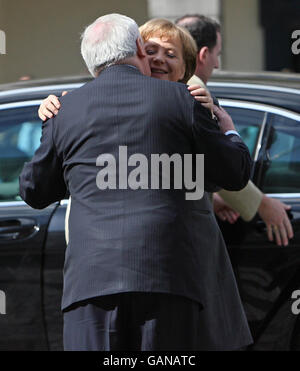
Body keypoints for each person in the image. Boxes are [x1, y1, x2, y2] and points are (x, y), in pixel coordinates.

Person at [20, 14, 252, 351]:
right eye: (153, 50)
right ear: (139, 49)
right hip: (164, 279)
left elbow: (35, 190)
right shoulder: (181, 104)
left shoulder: (189, 100)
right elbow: (229, 171)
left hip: (99, 281)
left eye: (170, 54)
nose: (158, 60)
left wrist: (58, 125)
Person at [175, 14, 294, 247]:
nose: (217, 64)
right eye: (217, 55)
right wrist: (263, 205)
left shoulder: (160, 88)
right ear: (203, 55)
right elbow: (219, 162)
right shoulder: (194, 91)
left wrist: (214, 195)